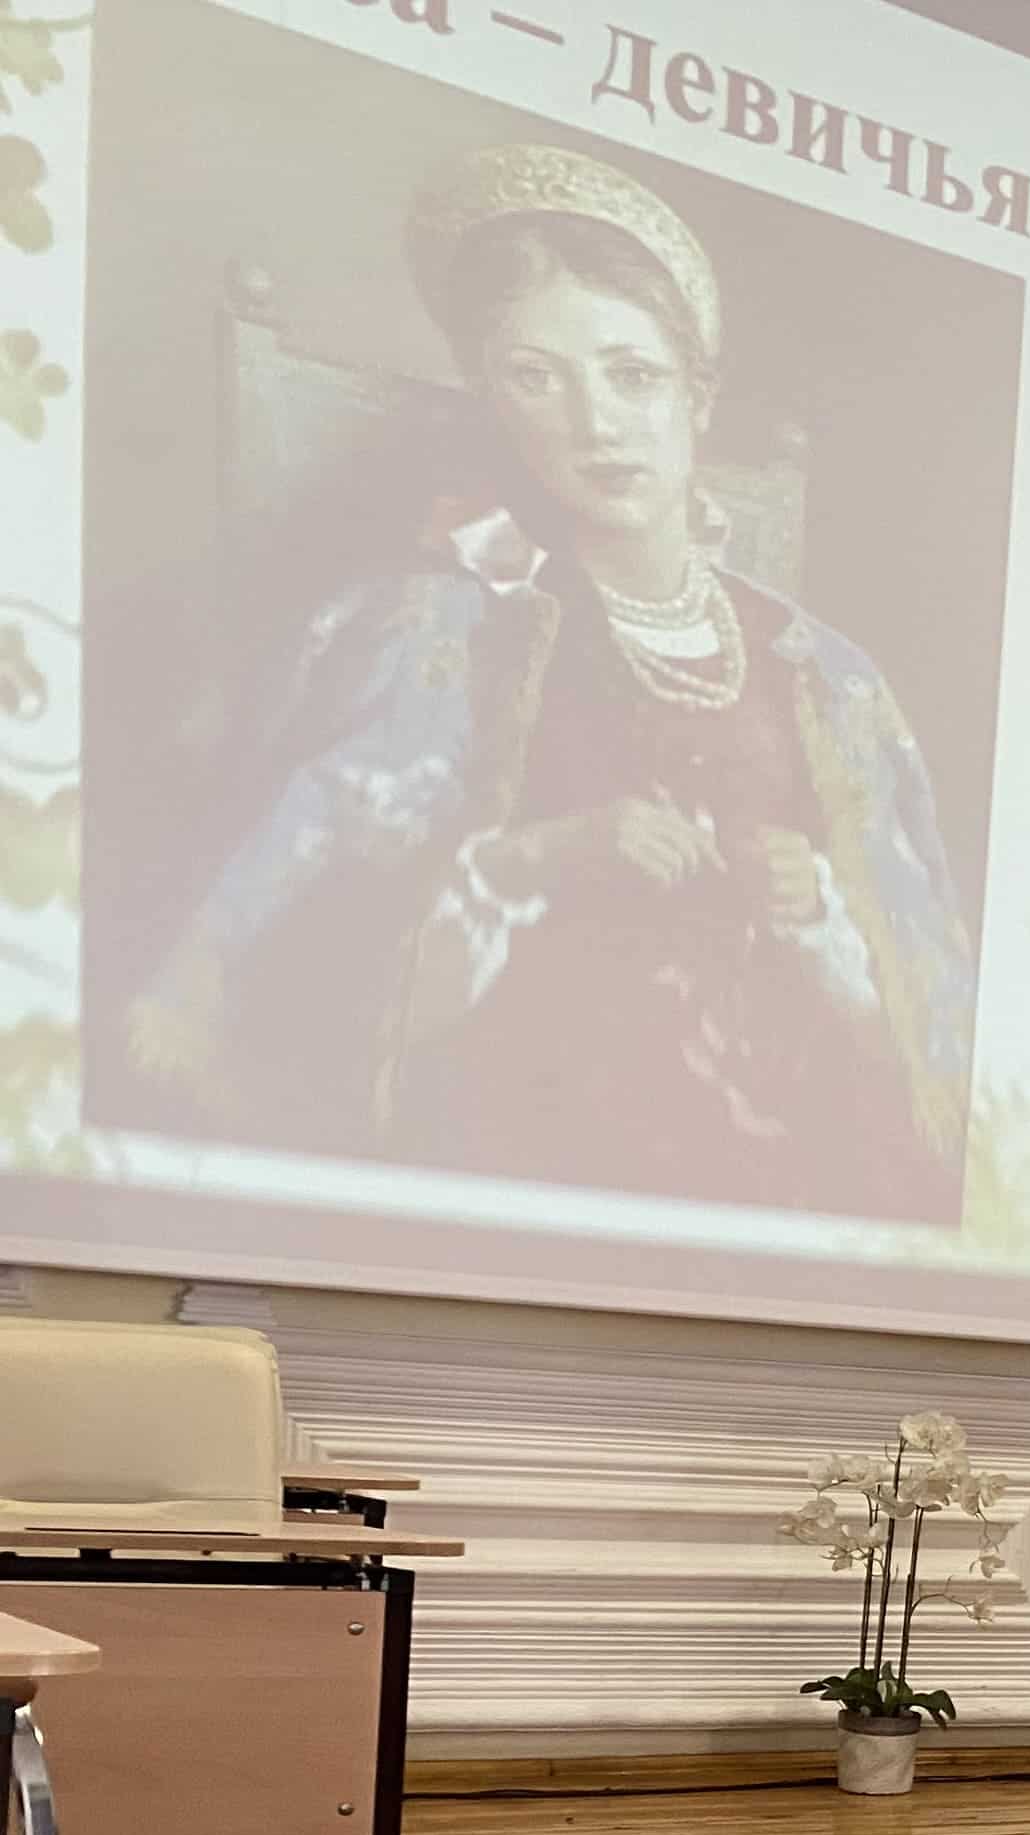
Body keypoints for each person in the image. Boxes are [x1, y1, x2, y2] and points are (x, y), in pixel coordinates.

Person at [127, 143, 977, 1213]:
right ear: (490, 397)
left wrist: (816, 910)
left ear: (698, 398)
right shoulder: (438, 630)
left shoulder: (827, 675)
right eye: (536, 377)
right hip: (519, 1158)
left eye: (633, 375)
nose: (596, 423)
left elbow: (925, 1023)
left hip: (781, 1178)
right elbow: (302, 957)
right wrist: (535, 860)